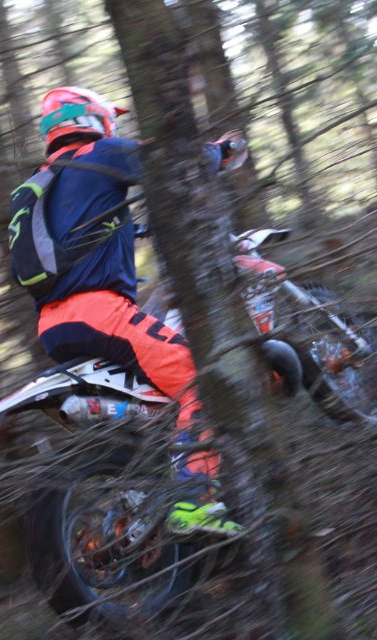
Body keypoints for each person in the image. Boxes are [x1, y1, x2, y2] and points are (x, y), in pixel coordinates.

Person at [20, 86, 243, 537]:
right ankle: (195, 500)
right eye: (110, 118)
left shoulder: (41, 182)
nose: (114, 125)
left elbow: (79, 233)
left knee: (156, 394)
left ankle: (147, 487)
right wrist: (219, 152)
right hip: (100, 312)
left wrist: (133, 229)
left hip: (53, 326)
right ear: (92, 118)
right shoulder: (100, 153)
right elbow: (169, 161)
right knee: (202, 378)